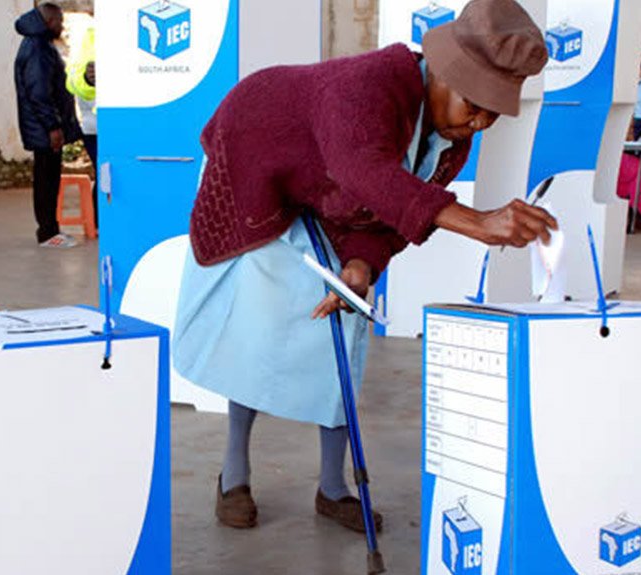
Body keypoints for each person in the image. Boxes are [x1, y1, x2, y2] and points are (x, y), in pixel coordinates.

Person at [174, 0, 556, 533]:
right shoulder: (373, 82)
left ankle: (334, 488)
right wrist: (480, 223)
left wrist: (359, 265)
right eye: (475, 102)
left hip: (326, 191)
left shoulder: (451, 142)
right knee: (256, 329)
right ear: (442, 72)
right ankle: (233, 474)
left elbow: (387, 218)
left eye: (494, 112)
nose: (481, 120)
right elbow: (363, 169)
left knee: (345, 321)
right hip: (256, 173)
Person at [14, 3, 83, 248]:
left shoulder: (39, 45)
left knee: (49, 179)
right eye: (59, 21)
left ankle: (50, 229)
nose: (62, 26)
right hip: (44, 130)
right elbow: (39, 92)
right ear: (48, 20)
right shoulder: (37, 48)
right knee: (46, 180)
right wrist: (53, 127)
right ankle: (47, 233)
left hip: (43, 127)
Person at [66, 19, 98, 231]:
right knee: (106, 175)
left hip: (123, 126)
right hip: (95, 127)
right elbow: (74, 82)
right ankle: (99, 223)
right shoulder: (89, 38)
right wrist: (88, 80)